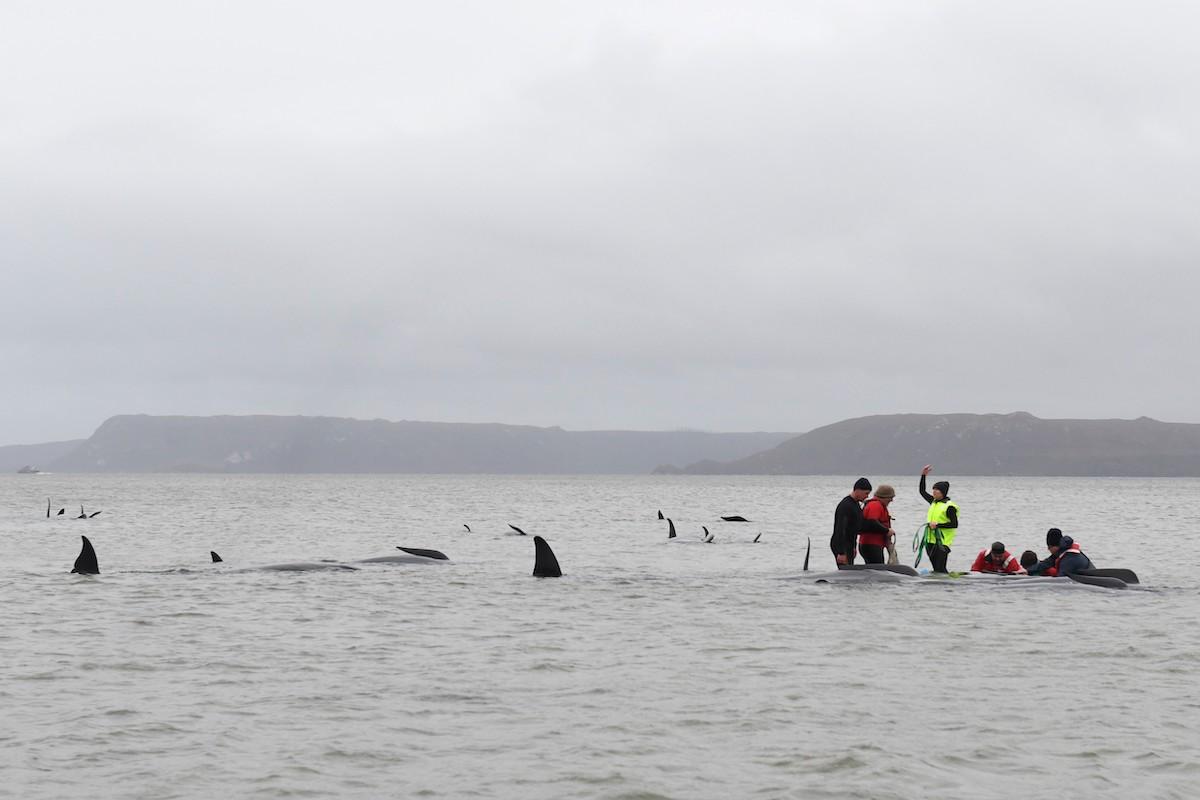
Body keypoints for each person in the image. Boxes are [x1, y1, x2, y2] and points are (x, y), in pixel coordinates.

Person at [830, 478, 888, 566]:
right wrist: (841, 553)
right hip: (840, 544)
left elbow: (857, 527)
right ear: (858, 490)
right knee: (845, 573)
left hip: (849, 544)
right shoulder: (846, 505)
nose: (867, 496)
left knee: (850, 571)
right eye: (866, 493)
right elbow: (840, 529)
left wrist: (853, 546)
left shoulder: (855, 504)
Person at [918, 465, 959, 573]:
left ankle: (945, 586)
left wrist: (937, 525)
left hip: (943, 543)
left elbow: (954, 524)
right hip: (930, 541)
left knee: (940, 568)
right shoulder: (933, 501)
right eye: (934, 489)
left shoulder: (950, 506)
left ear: (943, 492)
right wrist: (923, 475)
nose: (934, 492)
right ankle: (936, 587)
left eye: (937, 490)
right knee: (936, 569)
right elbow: (922, 491)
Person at [1028, 528, 1094, 577]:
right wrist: (1029, 570)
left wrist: (1049, 571)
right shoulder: (1063, 550)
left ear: (1055, 546)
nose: (1048, 549)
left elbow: (1060, 579)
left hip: (1089, 577)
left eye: (1049, 547)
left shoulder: (1070, 558)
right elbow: (1047, 562)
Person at [858, 485, 897, 564]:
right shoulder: (875, 505)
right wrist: (887, 531)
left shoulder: (877, 505)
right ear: (884, 497)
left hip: (873, 544)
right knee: (878, 570)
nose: (892, 500)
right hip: (871, 545)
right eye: (890, 498)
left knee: (875, 569)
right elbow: (872, 523)